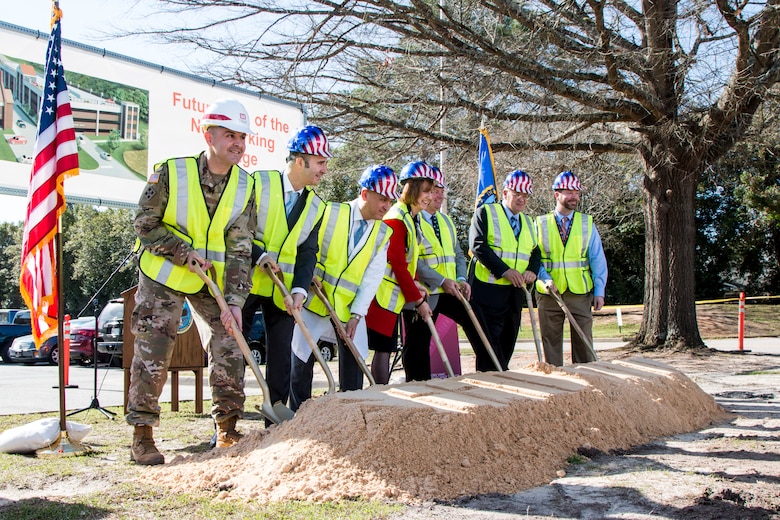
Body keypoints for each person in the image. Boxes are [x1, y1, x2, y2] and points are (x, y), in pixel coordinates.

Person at [126, 98, 256, 465]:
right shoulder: (171, 172)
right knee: (154, 351)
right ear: (208, 134)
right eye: (229, 135)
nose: (237, 144)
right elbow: (144, 224)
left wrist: (234, 302)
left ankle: (227, 429)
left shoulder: (245, 186)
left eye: (242, 137)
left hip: (208, 281)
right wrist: (182, 251)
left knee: (229, 341)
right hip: (163, 274)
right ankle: (142, 436)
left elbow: (240, 249)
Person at [289, 165, 398, 410]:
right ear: (365, 194)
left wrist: (358, 314)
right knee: (300, 356)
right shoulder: (330, 212)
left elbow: (372, 278)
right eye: (382, 199)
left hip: (349, 309)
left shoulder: (383, 233)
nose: (386, 206)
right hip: (314, 301)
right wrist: (306, 281)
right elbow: (306, 248)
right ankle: (298, 414)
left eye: (390, 200)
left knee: (355, 360)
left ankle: (348, 414)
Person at [242, 125, 327, 419]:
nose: (324, 170)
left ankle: (274, 415)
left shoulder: (316, 206)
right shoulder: (259, 183)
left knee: (279, 355)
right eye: (320, 162)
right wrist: (259, 255)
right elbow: (238, 227)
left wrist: (300, 289)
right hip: (246, 283)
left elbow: (308, 252)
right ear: (301, 160)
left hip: (283, 292)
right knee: (234, 352)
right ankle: (225, 421)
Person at [402, 166, 483, 380]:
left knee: (479, 325)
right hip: (426, 292)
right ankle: (418, 386)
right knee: (418, 342)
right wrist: (440, 280)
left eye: (441, 190)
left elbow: (457, 253)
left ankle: (490, 373)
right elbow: (414, 261)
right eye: (434, 189)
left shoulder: (446, 221)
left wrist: (461, 279)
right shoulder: (412, 219)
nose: (439, 195)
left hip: (452, 289)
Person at [366, 161, 436, 384]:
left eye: (432, 191)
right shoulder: (397, 218)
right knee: (383, 347)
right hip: (382, 292)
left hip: (392, 293)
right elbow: (396, 263)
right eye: (425, 191)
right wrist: (417, 301)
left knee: (386, 346)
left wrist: (416, 284)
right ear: (411, 189)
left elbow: (408, 259)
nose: (430, 197)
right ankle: (381, 393)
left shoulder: (411, 218)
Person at [468, 170, 541, 371]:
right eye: (517, 194)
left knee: (508, 341)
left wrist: (532, 271)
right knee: (489, 346)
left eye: (525, 196)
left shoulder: (527, 221)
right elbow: (478, 246)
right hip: (488, 291)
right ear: (506, 192)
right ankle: (489, 384)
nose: (521, 199)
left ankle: (503, 378)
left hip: (515, 294)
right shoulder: (486, 212)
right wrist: (505, 271)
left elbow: (536, 251)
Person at [536, 170, 607, 366]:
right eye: (569, 192)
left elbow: (597, 259)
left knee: (585, 347)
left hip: (580, 293)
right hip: (550, 293)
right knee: (550, 345)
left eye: (577, 192)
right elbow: (535, 260)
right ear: (556, 195)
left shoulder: (587, 223)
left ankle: (586, 386)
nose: (574, 196)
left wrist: (599, 291)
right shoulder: (540, 224)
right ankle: (556, 386)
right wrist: (544, 281)